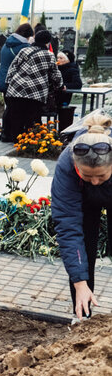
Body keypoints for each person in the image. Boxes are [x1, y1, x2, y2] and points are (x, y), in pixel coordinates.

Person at [50, 112, 110, 321]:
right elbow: (67, 226)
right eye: (87, 176)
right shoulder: (67, 163)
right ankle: (82, 316)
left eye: (101, 176)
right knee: (83, 245)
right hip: (82, 201)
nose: (94, 182)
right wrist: (80, 284)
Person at [5, 29, 64, 139]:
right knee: (31, 119)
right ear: (48, 42)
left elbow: (13, 68)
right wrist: (60, 85)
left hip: (16, 89)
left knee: (16, 117)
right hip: (35, 92)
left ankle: (16, 141)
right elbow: (55, 74)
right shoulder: (49, 55)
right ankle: (29, 142)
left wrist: (8, 83)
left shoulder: (24, 51)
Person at [0, 23, 34, 142]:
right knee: (14, 110)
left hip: (3, 80)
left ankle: (5, 133)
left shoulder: (8, 43)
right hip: (12, 82)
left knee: (9, 108)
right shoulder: (22, 47)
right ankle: (8, 134)